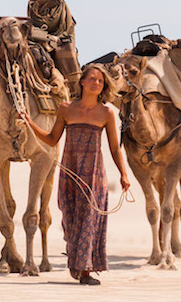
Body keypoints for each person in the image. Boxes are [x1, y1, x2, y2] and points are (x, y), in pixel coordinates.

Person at [20, 63, 131, 286]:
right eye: (92, 79)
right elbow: (52, 139)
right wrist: (30, 123)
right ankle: (76, 264)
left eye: (100, 81)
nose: (96, 83)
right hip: (70, 172)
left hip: (93, 174)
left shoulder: (107, 113)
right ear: (82, 82)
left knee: (90, 219)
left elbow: (114, 148)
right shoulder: (66, 109)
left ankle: (85, 270)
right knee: (71, 220)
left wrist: (123, 174)